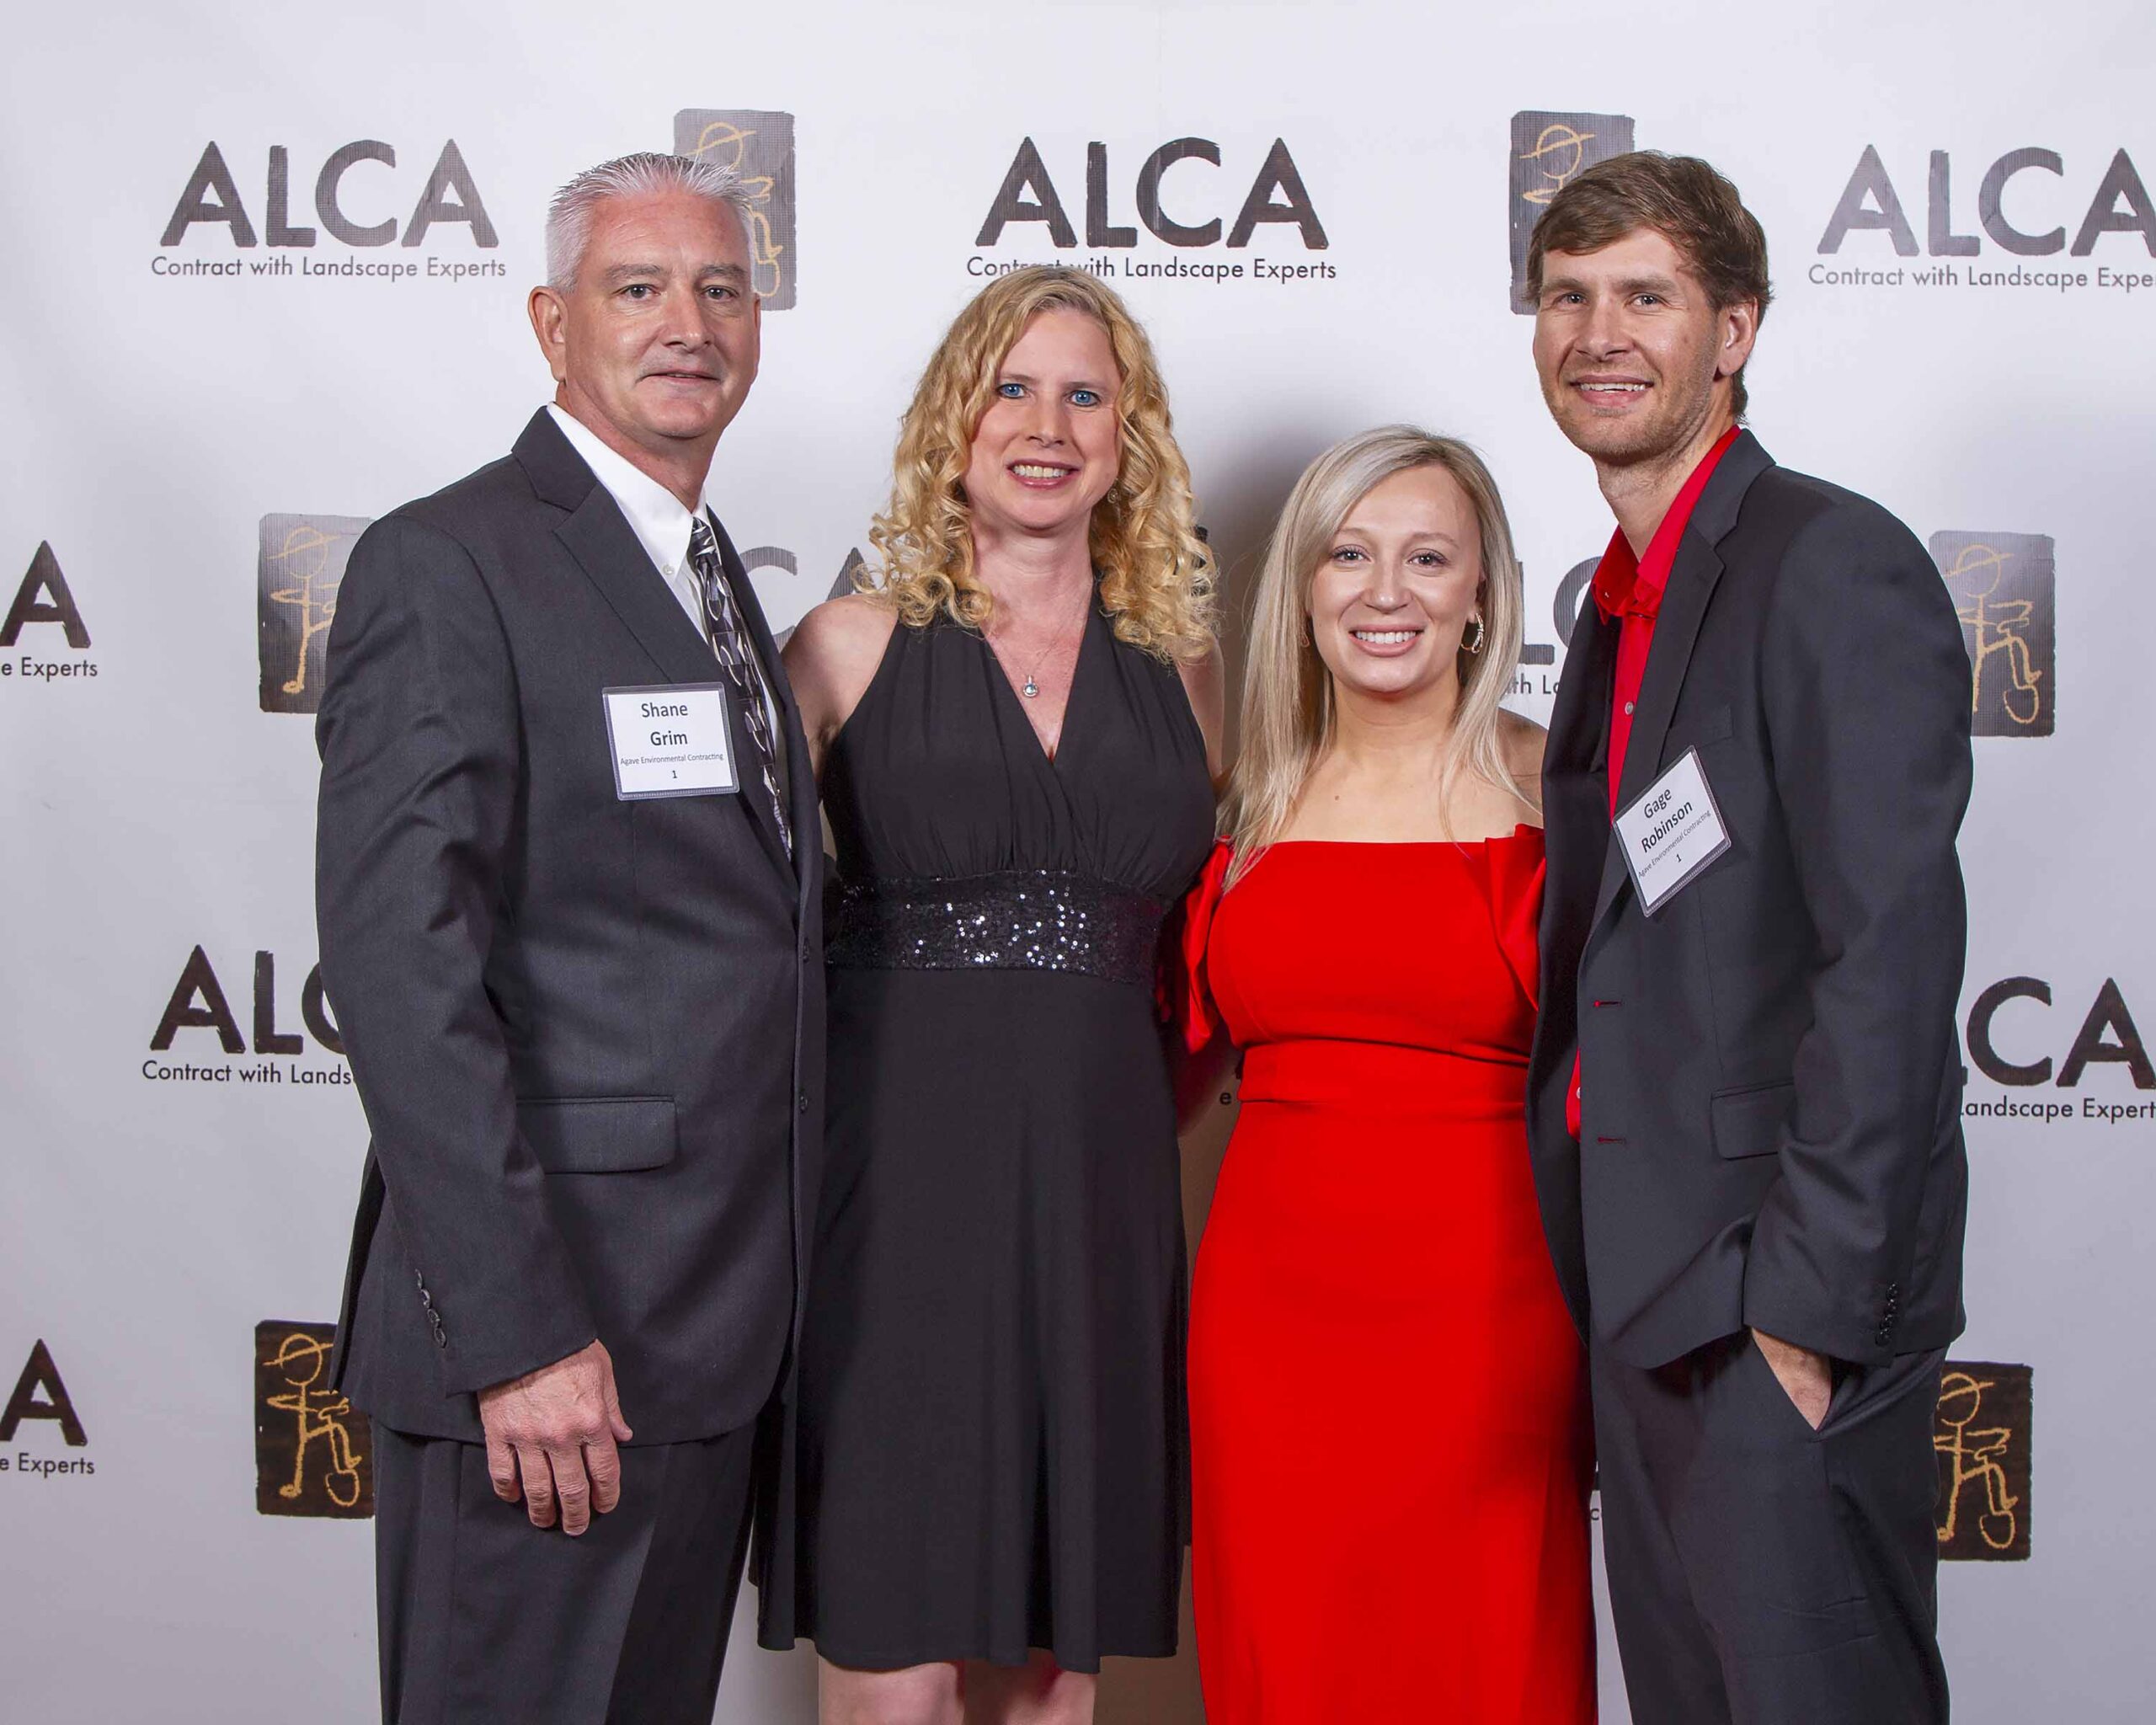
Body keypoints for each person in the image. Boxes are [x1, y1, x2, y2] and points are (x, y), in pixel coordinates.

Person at [314, 152, 822, 1724]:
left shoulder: (705, 568)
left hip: (705, 1345)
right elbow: (401, 968)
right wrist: (521, 1337)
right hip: (551, 1360)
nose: (690, 324)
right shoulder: (450, 559)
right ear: (553, 324)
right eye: (638, 287)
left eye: (721, 289)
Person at [1523, 151, 1971, 1724]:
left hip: (1770, 1303)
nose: (1600, 335)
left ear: (1734, 331)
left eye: (1646, 297)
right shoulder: (1619, 605)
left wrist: (1805, 1315)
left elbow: (1891, 959)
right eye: (1568, 299)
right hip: (1646, 1295)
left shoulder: (1827, 560)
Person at [770, 264, 1222, 1725]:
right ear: (951, 422)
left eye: (1085, 395)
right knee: (896, 1666)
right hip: (895, 1206)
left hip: (1100, 1205)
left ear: (1127, 437)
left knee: (1052, 1676)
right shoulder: (843, 645)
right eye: (1010, 389)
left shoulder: (1187, 674)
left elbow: (1229, 942)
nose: (1046, 426)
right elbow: (711, 918)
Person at [1172, 428, 1593, 1723]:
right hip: (1269, 1325)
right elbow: (1145, 1072)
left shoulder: (1559, 793)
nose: (1386, 592)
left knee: (1488, 1655)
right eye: (1349, 555)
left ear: (1484, 592)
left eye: (1427, 557)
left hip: (1493, 1318)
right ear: (1303, 586)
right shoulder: (1241, 806)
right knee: (1290, 1656)